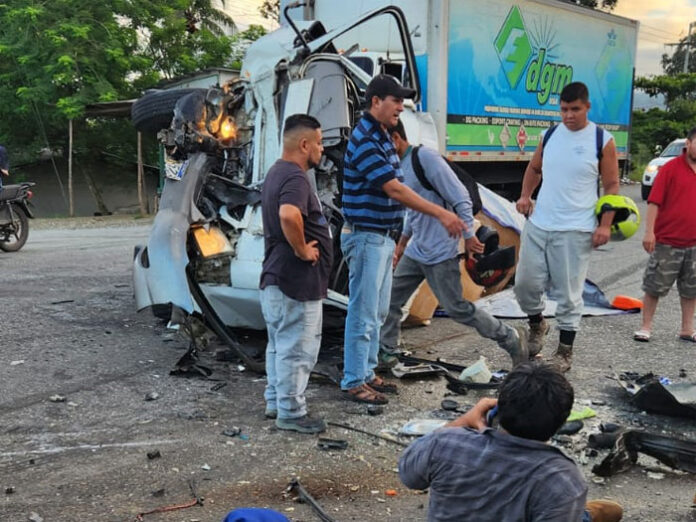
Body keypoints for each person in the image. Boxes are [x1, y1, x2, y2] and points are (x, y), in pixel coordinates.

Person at [341, 74, 466, 404]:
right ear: (375, 102)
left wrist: (399, 239)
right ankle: (354, 380)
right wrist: (440, 213)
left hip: (381, 237)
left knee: (379, 312)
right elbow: (394, 189)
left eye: (402, 100)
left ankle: (367, 373)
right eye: (395, 100)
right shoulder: (365, 138)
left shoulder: (382, 135)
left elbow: (398, 190)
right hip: (366, 236)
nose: (401, 106)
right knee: (364, 312)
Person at [379, 119, 529, 367]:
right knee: (391, 300)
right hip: (417, 251)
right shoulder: (398, 167)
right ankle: (387, 351)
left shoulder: (425, 158)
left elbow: (461, 198)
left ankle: (510, 338)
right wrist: (402, 243)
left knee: (458, 308)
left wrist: (469, 236)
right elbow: (413, 211)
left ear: (395, 139)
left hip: (441, 252)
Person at [399, 361, 624, 522]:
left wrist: (463, 421)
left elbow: (410, 477)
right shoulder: (562, 479)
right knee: (606, 512)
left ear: (496, 408)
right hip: (558, 502)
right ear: (562, 421)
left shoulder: (445, 443)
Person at [514, 81, 619, 372]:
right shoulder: (550, 135)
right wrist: (525, 195)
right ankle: (537, 324)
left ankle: (564, 352)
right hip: (540, 223)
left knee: (568, 293)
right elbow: (534, 169)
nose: (568, 115)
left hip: (576, 227)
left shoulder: (602, 140)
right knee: (524, 284)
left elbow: (611, 185)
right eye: (563, 110)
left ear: (587, 107)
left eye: (575, 109)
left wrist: (605, 225)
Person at [259, 114, 332, 434]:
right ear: (304, 144)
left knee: (278, 344)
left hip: (275, 278)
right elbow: (289, 215)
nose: (322, 149)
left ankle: (276, 400)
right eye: (318, 142)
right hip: (295, 280)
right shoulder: (296, 177)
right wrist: (303, 250)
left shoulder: (276, 173)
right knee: (297, 348)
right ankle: (290, 412)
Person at [633, 127, 696, 343]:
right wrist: (649, 232)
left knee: (691, 289)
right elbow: (654, 202)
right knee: (654, 286)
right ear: (688, 143)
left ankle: (687, 329)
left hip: (694, 244)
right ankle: (645, 327)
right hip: (667, 242)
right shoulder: (670, 169)